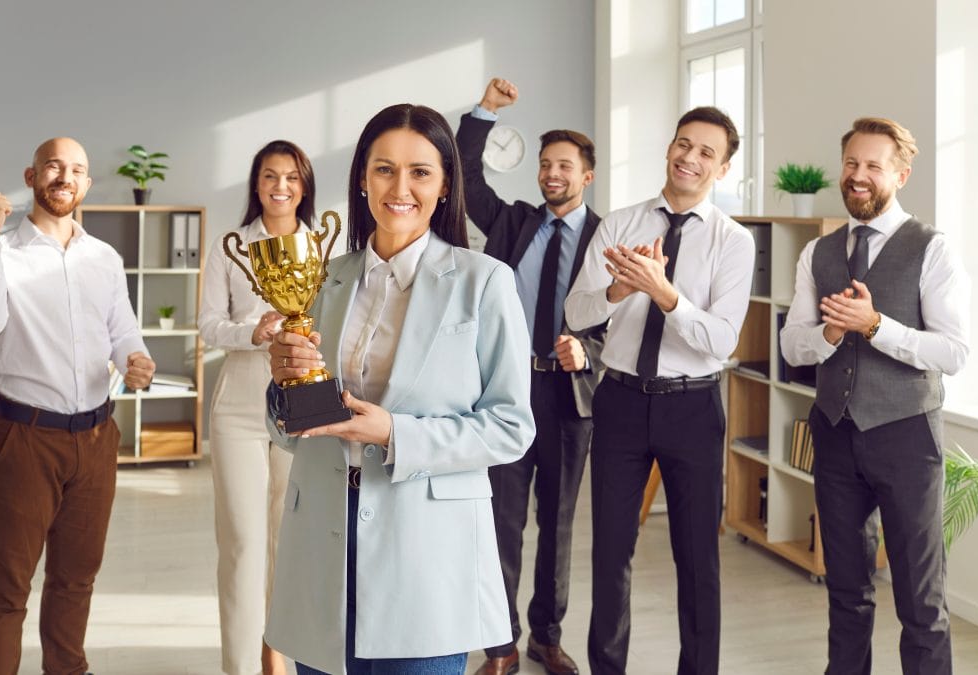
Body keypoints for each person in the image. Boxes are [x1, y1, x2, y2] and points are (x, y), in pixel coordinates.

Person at [263, 103, 536, 675]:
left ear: (444, 186)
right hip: (324, 539)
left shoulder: (484, 280)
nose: (400, 188)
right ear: (362, 179)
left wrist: (394, 432)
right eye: (384, 169)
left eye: (420, 172)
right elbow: (291, 430)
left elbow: (512, 427)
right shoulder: (323, 279)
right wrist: (284, 388)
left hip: (427, 550)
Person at [564, 107, 754, 675]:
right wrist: (619, 290)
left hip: (693, 405)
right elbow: (576, 312)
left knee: (697, 559)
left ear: (721, 169)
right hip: (619, 400)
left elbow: (720, 340)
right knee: (610, 554)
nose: (689, 158)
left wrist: (666, 295)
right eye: (683, 144)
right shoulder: (620, 223)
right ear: (669, 147)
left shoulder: (733, 241)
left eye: (705, 153)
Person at [779, 118, 970, 675]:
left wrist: (875, 324)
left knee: (920, 600)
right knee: (846, 591)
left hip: (907, 436)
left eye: (873, 167)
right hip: (835, 435)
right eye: (851, 164)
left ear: (900, 175)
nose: (857, 176)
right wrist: (830, 334)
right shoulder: (817, 252)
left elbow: (954, 353)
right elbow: (794, 345)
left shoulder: (932, 248)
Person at [0, 137, 156, 675]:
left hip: (96, 440)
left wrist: (137, 359)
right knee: (6, 587)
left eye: (76, 170)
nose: (64, 176)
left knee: (76, 580)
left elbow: (123, 332)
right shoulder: (0, 250)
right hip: (23, 439)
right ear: (31, 176)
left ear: (86, 185)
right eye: (54, 166)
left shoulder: (105, 258)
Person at [455, 77, 605, 675]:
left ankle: (547, 635)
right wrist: (485, 111)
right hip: (508, 389)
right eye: (545, 165)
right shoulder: (513, 222)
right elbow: (465, 174)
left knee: (558, 524)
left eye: (563, 166)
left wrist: (588, 351)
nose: (551, 174)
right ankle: (501, 643)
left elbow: (623, 314)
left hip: (569, 396)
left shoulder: (605, 237)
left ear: (585, 176)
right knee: (502, 520)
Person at [198, 140, 315, 675]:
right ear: (256, 183)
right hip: (239, 404)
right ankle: (241, 667)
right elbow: (206, 326)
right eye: (271, 176)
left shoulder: (324, 247)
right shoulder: (230, 247)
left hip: (304, 398)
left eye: (291, 177)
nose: (281, 187)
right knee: (243, 544)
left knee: (290, 544)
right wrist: (254, 331)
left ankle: (281, 660)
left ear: (304, 185)